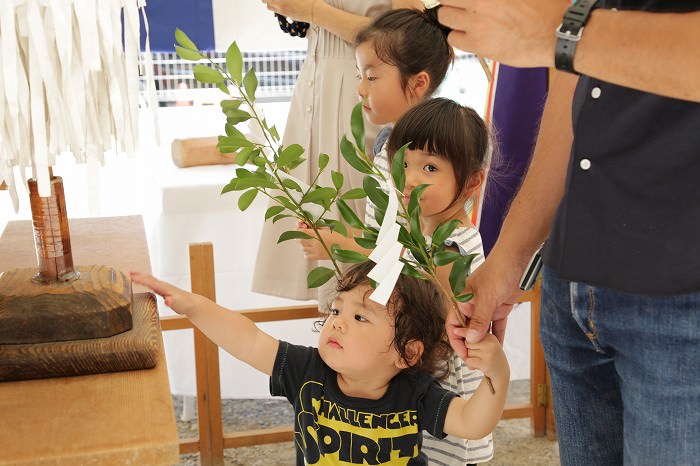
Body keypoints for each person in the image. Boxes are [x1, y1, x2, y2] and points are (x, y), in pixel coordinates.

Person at [436, 1, 700, 464]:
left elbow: (571, 43)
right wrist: (509, 256)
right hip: (572, 283)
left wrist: (564, 30)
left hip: (682, 293)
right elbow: (575, 80)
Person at [299, 9, 496, 464]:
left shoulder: (456, 243)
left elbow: (419, 273)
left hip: (451, 403)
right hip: (412, 388)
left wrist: (347, 245)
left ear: (469, 184)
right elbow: (389, 248)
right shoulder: (404, 194)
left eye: (429, 169)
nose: (409, 179)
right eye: (404, 166)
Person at [131, 261, 510, 466]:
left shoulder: (415, 394)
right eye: (337, 308)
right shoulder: (307, 371)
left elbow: (473, 424)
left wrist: (497, 372)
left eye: (361, 317)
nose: (338, 321)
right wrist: (192, 304)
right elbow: (248, 340)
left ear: (407, 354)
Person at [252, 0, 423, 303]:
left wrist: (313, 10)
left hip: (366, 85)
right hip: (316, 79)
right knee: (322, 238)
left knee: (368, 251)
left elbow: (407, 35)